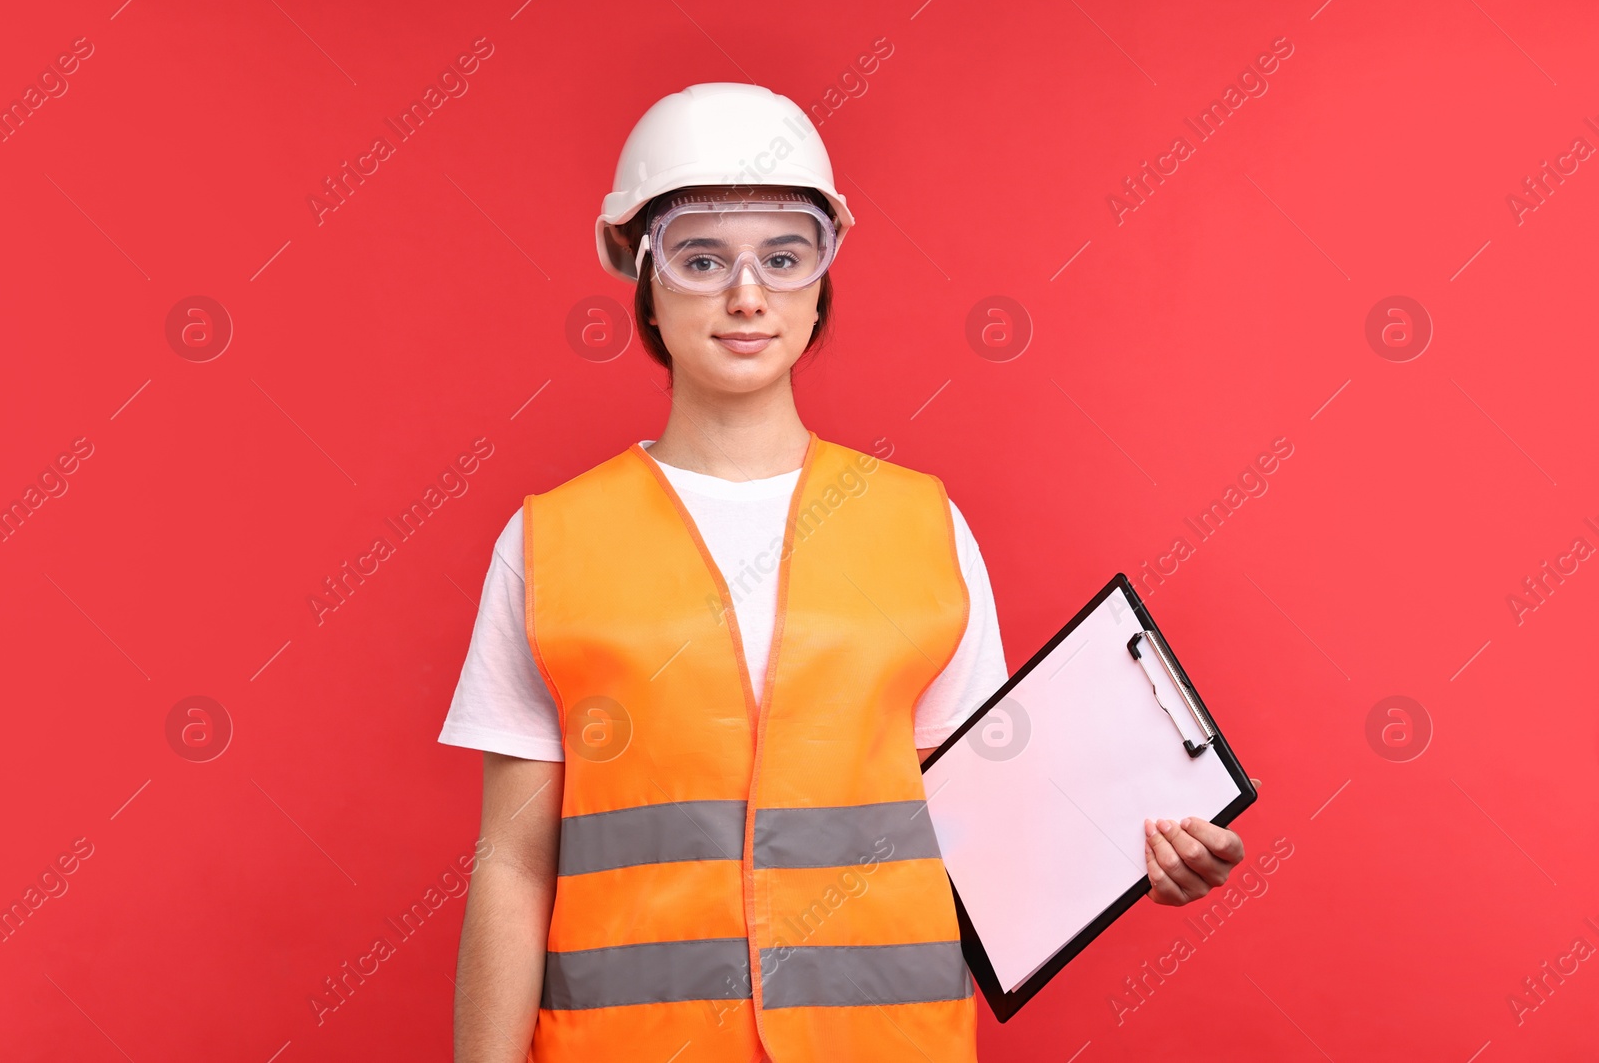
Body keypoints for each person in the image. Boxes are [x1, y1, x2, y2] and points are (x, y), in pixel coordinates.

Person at [439, 82, 1245, 1063]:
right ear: (642, 276)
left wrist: (1133, 857)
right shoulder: (549, 541)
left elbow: (991, 826)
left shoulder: (921, 526)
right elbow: (514, 865)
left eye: (784, 256)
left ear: (822, 278)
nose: (747, 293)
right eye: (702, 259)